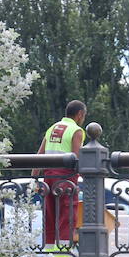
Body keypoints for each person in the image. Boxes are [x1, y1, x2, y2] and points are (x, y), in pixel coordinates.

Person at [32, 100, 86, 246]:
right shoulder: (76, 131)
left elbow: (39, 154)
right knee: (66, 219)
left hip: (48, 179)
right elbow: (76, 159)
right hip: (66, 180)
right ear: (80, 114)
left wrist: (34, 179)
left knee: (49, 218)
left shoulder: (52, 128)